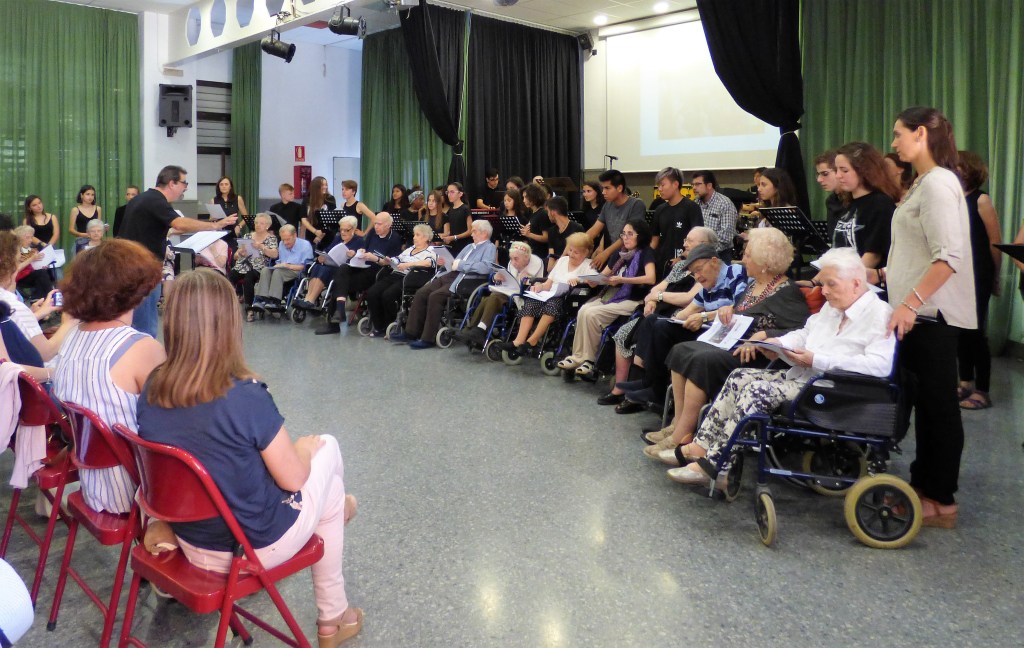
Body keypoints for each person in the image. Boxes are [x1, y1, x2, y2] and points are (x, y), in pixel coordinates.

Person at [136, 270, 362, 646]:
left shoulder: (152, 387)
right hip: (250, 546)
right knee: (328, 450)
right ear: (229, 325)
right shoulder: (245, 395)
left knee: (327, 491)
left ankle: (335, 514)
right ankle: (333, 616)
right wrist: (304, 450)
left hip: (193, 542)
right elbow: (292, 480)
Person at [667, 247, 895, 486]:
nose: (823, 291)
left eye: (831, 284)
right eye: (823, 284)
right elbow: (806, 332)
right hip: (806, 378)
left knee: (756, 391)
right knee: (739, 376)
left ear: (857, 284)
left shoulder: (879, 314)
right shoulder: (833, 307)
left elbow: (880, 366)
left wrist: (816, 359)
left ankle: (716, 464)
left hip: (833, 388)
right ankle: (700, 446)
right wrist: (777, 342)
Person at [872, 106, 977, 528]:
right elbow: (913, 253)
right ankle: (923, 486)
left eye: (898, 134)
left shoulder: (938, 184)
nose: (894, 142)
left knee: (938, 409)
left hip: (933, 315)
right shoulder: (921, 184)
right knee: (925, 407)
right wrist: (878, 275)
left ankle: (941, 499)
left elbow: (947, 257)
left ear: (920, 133)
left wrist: (910, 302)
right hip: (918, 314)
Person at [642, 228, 809, 457]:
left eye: (748, 255)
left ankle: (682, 434)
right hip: (735, 344)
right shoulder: (753, 285)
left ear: (765, 262)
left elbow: (799, 329)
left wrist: (765, 337)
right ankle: (677, 424)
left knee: (702, 359)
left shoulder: (787, 291)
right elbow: (742, 311)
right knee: (682, 350)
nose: (743, 259)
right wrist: (729, 308)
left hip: (759, 356)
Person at [51, 239, 165, 514]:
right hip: (136, 489)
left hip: (93, 482)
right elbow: (176, 422)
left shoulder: (73, 337)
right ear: (135, 290)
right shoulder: (141, 347)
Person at [620, 243, 749, 410]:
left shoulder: (735, 272)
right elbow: (688, 311)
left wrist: (703, 316)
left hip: (723, 335)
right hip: (706, 331)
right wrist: (672, 319)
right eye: (694, 273)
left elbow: (739, 308)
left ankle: (656, 390)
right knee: (655, 322)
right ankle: (649, 381)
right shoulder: (707, 286)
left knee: (662, 329)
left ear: (714, 261)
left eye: (699, 269)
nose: (698, 276)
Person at [603, 226, 719, 407]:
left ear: (704, 245)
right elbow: (657, 287)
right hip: (660, 309)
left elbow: (689, 299)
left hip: (681, 314)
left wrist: (658, 297)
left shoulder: (706, 268)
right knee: (624, 332)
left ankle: (641, 392)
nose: (684, 243)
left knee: (652, 327)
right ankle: (623, 390)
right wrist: (652, 301)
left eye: (689, 240)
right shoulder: (681, 265)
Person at [119, 165, 238, 338]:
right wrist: (215, 225)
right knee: (145, 325)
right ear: (172, 183)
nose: (186, 187)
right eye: (184, 183)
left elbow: (168, 228)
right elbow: (179, 223)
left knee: (137, 318)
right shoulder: (156, 200)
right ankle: (145, 360)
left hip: (132, 265)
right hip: (141, 269)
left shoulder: (144, 199)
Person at [557, 219, 656, 377]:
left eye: (630, 234)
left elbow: (650, 278)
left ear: (641, 236)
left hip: (633, 299)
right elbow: (604, 275)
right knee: (583, 310)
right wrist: (592, 280)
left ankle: (589, 359)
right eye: (624, 233)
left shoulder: (646, 253)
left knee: (592, 314)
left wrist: (623, 280)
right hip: (613, 295)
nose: (626, 237)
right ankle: (578, 356)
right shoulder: (619, 253)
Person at [391, 219, 497, 349]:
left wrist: (460, 265)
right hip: (451, 274)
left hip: (466, 280)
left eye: (474, 231)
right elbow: (454, 262)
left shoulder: (489, 248)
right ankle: (411, 332)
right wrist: (445, 262)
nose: (471, 234)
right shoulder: (469, 246)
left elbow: (485, 267)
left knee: (435, 296)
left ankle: (427, 338)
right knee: (422, 292)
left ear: (484, 233)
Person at [956, 150, 1002, 411]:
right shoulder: (951, 200)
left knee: (975, 333)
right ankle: (965, 381)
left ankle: (983, 390)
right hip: (955, 275)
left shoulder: (981, 199)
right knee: (959, 331)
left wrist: (995, 276)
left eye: (960, 167)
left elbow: (995, 243)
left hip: (977, 274)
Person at [504, 232, 594, 356]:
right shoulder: (562, 260)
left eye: (576, 252)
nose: (571, 254)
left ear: (586, 253)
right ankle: (519, 341)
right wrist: (539, 287)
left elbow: (594, 282)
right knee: (531, 302)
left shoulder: (588, 265)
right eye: (570, 250)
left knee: (552, 304)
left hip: (567, 299)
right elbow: (548, 283)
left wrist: (579, 280)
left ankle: (532, 341)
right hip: (550, 293)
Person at [315, 213, 403, 335]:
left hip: (378, 272)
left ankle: (335, 321)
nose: (376, 226)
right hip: (363, 266)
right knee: (343, 269)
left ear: (388, 225)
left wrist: (375, 259)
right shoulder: (372, 233)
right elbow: (364, 249)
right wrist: (357, 253)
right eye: (375, 223)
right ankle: (340, 308)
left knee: (339, 283)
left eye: (379, 224)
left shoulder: (394, 238)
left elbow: (391, 263)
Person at [0, 231, 73, 362]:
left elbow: (12, 324)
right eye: (17, 261)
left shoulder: (8, 304)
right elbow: (46, 353)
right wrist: (68, 323)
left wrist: (37, 314)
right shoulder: (12, 306)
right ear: (9, 265)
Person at [460, 241, 544, 347]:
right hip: (508, 292)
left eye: (516, 259)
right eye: (511, 258)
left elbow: (538, 286)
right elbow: (508, 280)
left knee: (493, 298)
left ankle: (479, 329)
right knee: (486, 298)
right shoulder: (512, 263)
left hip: (523, 298)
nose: (513, 262)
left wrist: (528, 280)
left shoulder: (536, 264)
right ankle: (472, 329)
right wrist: (497, 278)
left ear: (526, 258)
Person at [832, 141, 901, 269]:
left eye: (844, 170)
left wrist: (844, 282)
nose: (838, 176)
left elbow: (873, 256)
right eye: (836, 170)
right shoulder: (849, 204)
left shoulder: (880, 204)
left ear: (863, 171)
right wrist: (815, 281)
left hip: (864, 283)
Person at [364, 223, 437, 336]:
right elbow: (398, 259)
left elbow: (428, 263)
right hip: (396, 273)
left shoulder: (431, 250)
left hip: (411, 277)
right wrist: (389, 260)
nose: (414, 237)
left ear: (426, 238)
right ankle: (379, 326)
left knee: (388, 295)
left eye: (417, 235)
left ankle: (390, 324)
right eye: (414, 235)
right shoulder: (410, 249)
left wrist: (408, 264)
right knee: (372, 293)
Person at [297, 216, 364, 311]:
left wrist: (353, 255)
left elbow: (359, 259)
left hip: (344, 271)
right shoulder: (338, 238)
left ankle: (311, 300)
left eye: (346, 230)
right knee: (317, 267)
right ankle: (307, 298)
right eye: (341, 230)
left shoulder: (359, 241)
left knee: (324, 270)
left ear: (353, 229)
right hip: (331, 266)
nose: (343, 232)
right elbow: (327, 251)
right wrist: (322, 257)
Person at [584, 170, 647, 270]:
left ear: (619, 188)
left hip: (633, 257)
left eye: (607, 188)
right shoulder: (607, 205)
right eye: (603, 188)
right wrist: (577, 245)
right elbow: (594, 230)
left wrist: (606, 253)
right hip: (615, 256)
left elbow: (627, 236)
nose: (603, 192)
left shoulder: (636, 204)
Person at [649, 167, 703, 278]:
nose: (659, 189)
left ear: (675, 184)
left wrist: (682, 257)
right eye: (658, 185)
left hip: (685, 265)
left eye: (663, 185)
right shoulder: (660, 209)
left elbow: (698, 240)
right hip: (662, 264)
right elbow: (654, 240)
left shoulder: (691, 207)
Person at [229, 213, 278, 322]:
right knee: (229, 277)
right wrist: (240, 253)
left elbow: (274, 254)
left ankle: (249, 309)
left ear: (267, 226)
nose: (258, 225)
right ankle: (228, 305)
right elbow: (236, 256)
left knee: (248, 279)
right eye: (256, 223)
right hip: (243, 265)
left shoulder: (271, 238)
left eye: (261, 223)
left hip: (258, 267)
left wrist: (261, 247)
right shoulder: (247, 236)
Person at [253, 225, 313, 311]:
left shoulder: (305, 245)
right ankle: (261, 299)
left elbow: (305, 266)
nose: (285, 243)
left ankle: (275, 301)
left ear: (295, 235)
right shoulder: (281, 244)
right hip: (282, 268)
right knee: (265, 270)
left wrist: (288, 266)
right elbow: (280, 261)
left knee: (278, 272)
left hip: (296, 270)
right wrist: (278, 266)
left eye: (288, 239)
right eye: (283, 239)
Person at [691, 171, 738, 263]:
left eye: (697, 184)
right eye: (693, 185)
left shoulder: (724, 204)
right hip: (697, 255)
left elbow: (726, 237)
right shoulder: (695, 203)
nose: (694, 188)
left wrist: (704, 250)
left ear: (709, 185)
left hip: (720, 256)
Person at [544, 196, 585, 272]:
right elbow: (551, 256)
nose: (548, 215)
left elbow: (567, 254)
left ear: (553, 212)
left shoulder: (577, 228)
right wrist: (550, 272)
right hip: (556, 269)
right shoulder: (552, 231)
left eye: (548, 211)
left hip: (572, 268)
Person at [13, 225, 53, 300]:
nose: (31, 240)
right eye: (27, 237)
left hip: (29, 275)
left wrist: (42, 265)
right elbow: (17, 268)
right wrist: (31, 259)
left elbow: (33, 266)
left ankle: (40, 299)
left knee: (43, 272)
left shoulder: (30, 250)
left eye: (31, 237)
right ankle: (50, 297)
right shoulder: (14, 251)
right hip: (18, 277)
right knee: (41, 274)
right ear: (19, 238)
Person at [813, 151, 846, 239]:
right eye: (818, 174)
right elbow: (833, 237)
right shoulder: (831, 201)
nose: (819, 179)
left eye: (825, 174)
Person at [300, 176, 338, 248]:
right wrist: (315, 231)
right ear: (316, 187)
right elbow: (304, 219)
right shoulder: (307, 200)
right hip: (311, 233)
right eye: (322, 185)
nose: (325, 187)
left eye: (326, 184)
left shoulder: (330, 199)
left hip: (327, 234)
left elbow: (331, 220)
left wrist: (321, 235)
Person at [519, 183, 551, 259]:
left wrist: (529, 234)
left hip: (541, 255)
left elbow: (546, 238)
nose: (524, 200)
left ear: (533, 197)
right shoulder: (533, 213)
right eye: (523, 197)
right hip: (534, 252)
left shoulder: (543, 214)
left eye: (526, 197)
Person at [439, 182, 472, 254]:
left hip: (464, 246)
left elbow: (470, 231)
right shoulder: (450, 210)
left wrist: (454, 237)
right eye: (448, 192)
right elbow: (451, 230)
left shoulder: (465, 209)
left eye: (452, 192)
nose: (449, 195)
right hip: (453, 245)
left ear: (460, 194)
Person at [68, 184, 102, 253]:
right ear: (81, 195)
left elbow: (98, 225)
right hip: (81, 241)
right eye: (88, 194)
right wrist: (83, 234)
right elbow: (71, 229)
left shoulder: (98, 209)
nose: (90, 197)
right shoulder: (75, 210)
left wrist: (103, 228)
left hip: (95, 241)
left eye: (92, 195)